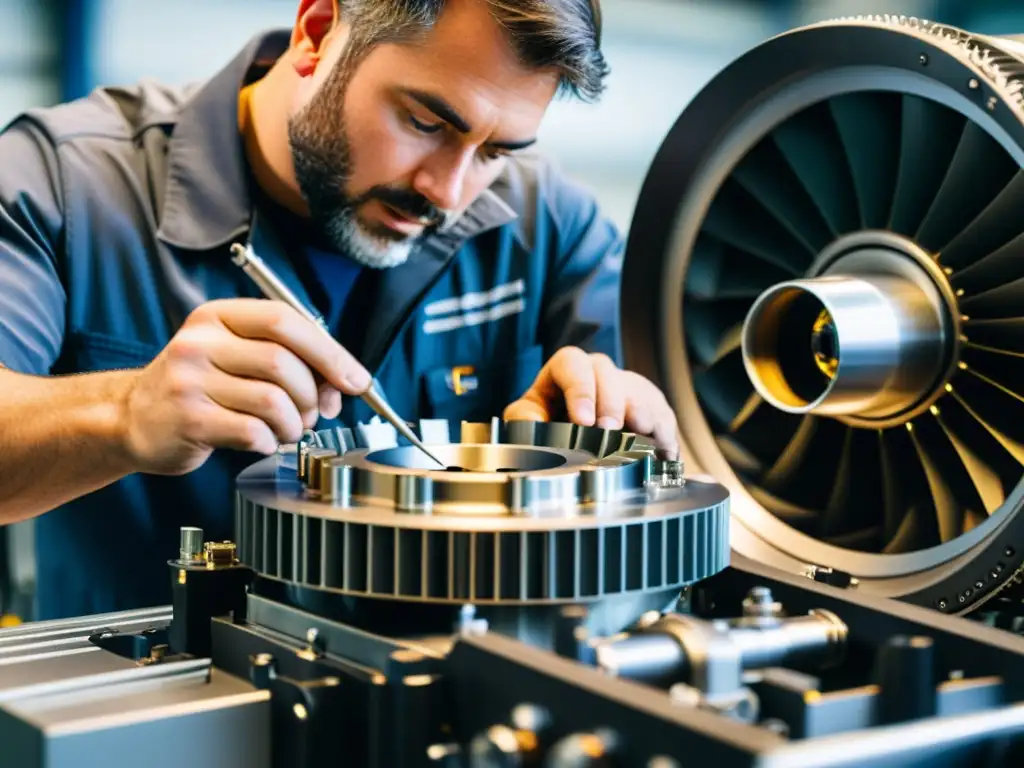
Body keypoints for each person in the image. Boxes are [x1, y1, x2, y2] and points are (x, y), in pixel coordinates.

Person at [0, 0, 679, 621]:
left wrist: (611, 432)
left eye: (496, 152)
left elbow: (676, 479)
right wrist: (126, 414)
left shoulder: (549, 225)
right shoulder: (61, 185)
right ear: (318, 31)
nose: (448, 192)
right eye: (424, 122)